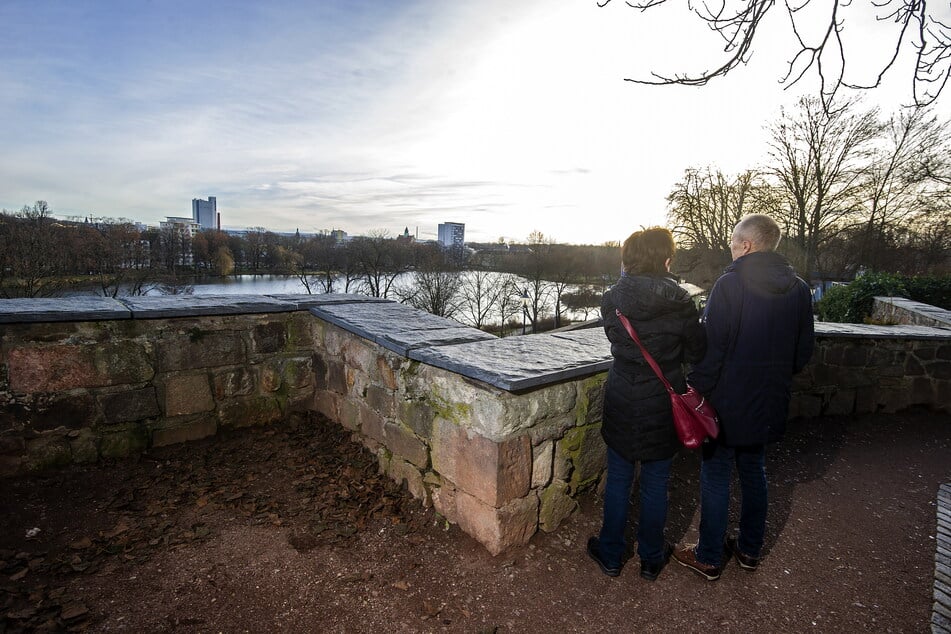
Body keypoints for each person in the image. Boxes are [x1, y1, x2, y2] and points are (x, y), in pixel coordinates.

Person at [673, 213, 815, 581]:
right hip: (769, 402)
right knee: (755, 472)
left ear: (747, 245)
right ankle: (750, 549)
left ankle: (708, 556)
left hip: (727, 403)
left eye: (734, 243)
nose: (731, 250)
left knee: (717, 474)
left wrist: (695, 389)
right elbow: (802, 354)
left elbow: (713, 349)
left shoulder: (730, 285)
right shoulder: (799, 289)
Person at [587, 227, 706, 581]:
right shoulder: (682, 300)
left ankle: (611, 553)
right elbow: (697, 350)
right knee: (656, 482)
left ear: (630, 259)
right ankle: (651, 558)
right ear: (664, 259)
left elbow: (615, 338)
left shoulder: (612, 298)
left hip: (624, 393)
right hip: (662, 397)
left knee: (620, 477)